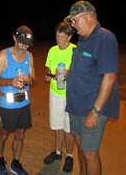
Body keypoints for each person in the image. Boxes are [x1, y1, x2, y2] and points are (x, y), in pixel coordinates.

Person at [63, 0, 119, 175]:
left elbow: (109, 77)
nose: (73, 25)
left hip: (91, 107)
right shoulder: (82, 39)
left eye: (74, 20)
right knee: (82, 149)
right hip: (77, 106)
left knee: (90, 153)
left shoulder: (104, 37)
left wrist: (95, 111)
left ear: (87, 16)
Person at [0, 25, 36, 175]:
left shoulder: (29, 56)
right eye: (21, 43)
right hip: (6, 103)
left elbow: (34, 79)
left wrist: (28, 80)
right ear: (14, 38)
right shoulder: (3, 55)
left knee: (20, 135)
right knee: (3, 134)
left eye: (27, 44)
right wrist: (10, 81)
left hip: (24, 102)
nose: (23, 47)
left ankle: (15, 164)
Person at [44, 22, 76, 172]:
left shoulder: (75, 51)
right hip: (55, 93)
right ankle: (57, 152)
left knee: (68, 128)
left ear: (69, 36)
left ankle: (69, 156)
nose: (58, 39)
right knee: (57, 125)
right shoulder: (52, 50)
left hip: (71, 95)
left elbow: (83, 74)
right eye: (57, 35)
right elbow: (47, 68)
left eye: (62, 36)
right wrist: (48, 76)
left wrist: (70, 73)